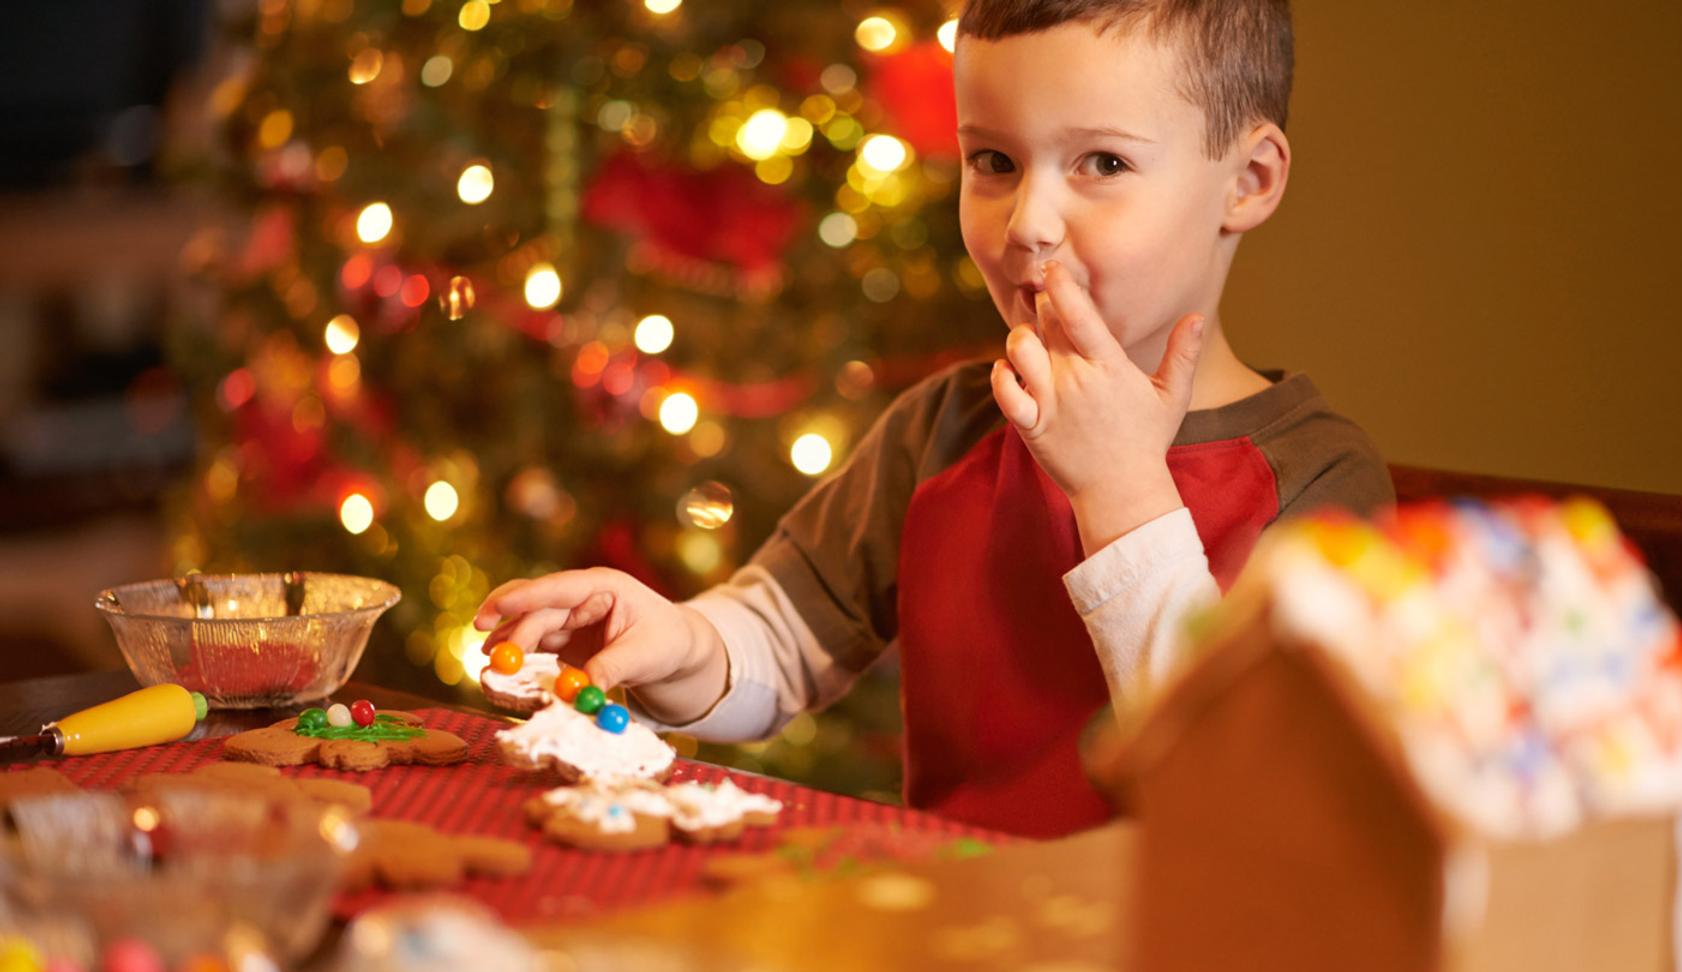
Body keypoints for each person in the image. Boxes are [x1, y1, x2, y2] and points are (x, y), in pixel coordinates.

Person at [475, 0, 1392, 838]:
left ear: (1249, 180)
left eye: (1103, 163)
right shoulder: (946, 429)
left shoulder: (1319, 480)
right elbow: (784, 640)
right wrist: (682, 644)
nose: (1029, 223)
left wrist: (1122, 490)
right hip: (941, 927)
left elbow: (1244, 796)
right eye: (994, 162)